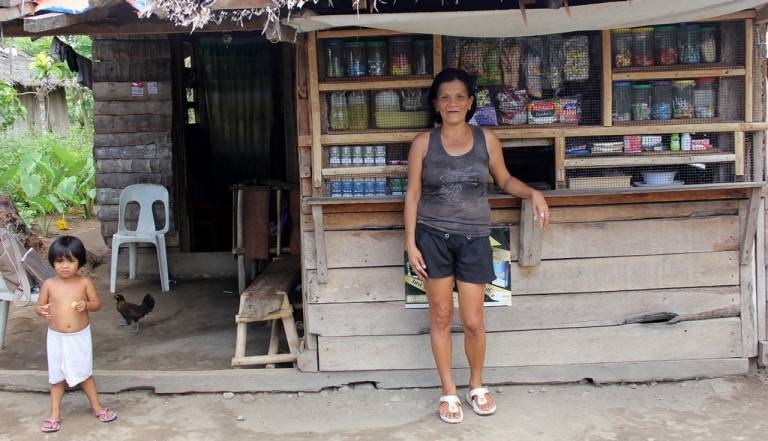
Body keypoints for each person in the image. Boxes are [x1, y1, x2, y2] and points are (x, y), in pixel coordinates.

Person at [404, 68, 550, 424]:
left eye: (459, 96)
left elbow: (504, 180)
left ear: (470, 103)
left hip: (474, 239)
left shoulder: (487, 139)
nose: (452, 103)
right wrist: (410, 243)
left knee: (472, 320)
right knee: (440, 316)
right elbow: (412, 194)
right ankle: (449, 391)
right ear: (436, 104)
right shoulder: (423, 143)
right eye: (445, 97)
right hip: (432, 237)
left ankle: (476, 385)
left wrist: (532, 192)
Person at [35, 235, 117, 433]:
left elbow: (97, 304)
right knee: (56, 376)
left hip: (79, 337)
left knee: (85, 373)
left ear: (79, 261)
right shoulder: (49, 284)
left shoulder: (84, 283)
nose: (65, 266)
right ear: (53, 262)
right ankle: (54, 414)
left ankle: (96, 407)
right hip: (56, 337)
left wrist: (86, 305)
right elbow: (39, 306)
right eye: (59, 261)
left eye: (70, 261)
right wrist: (41, 310)